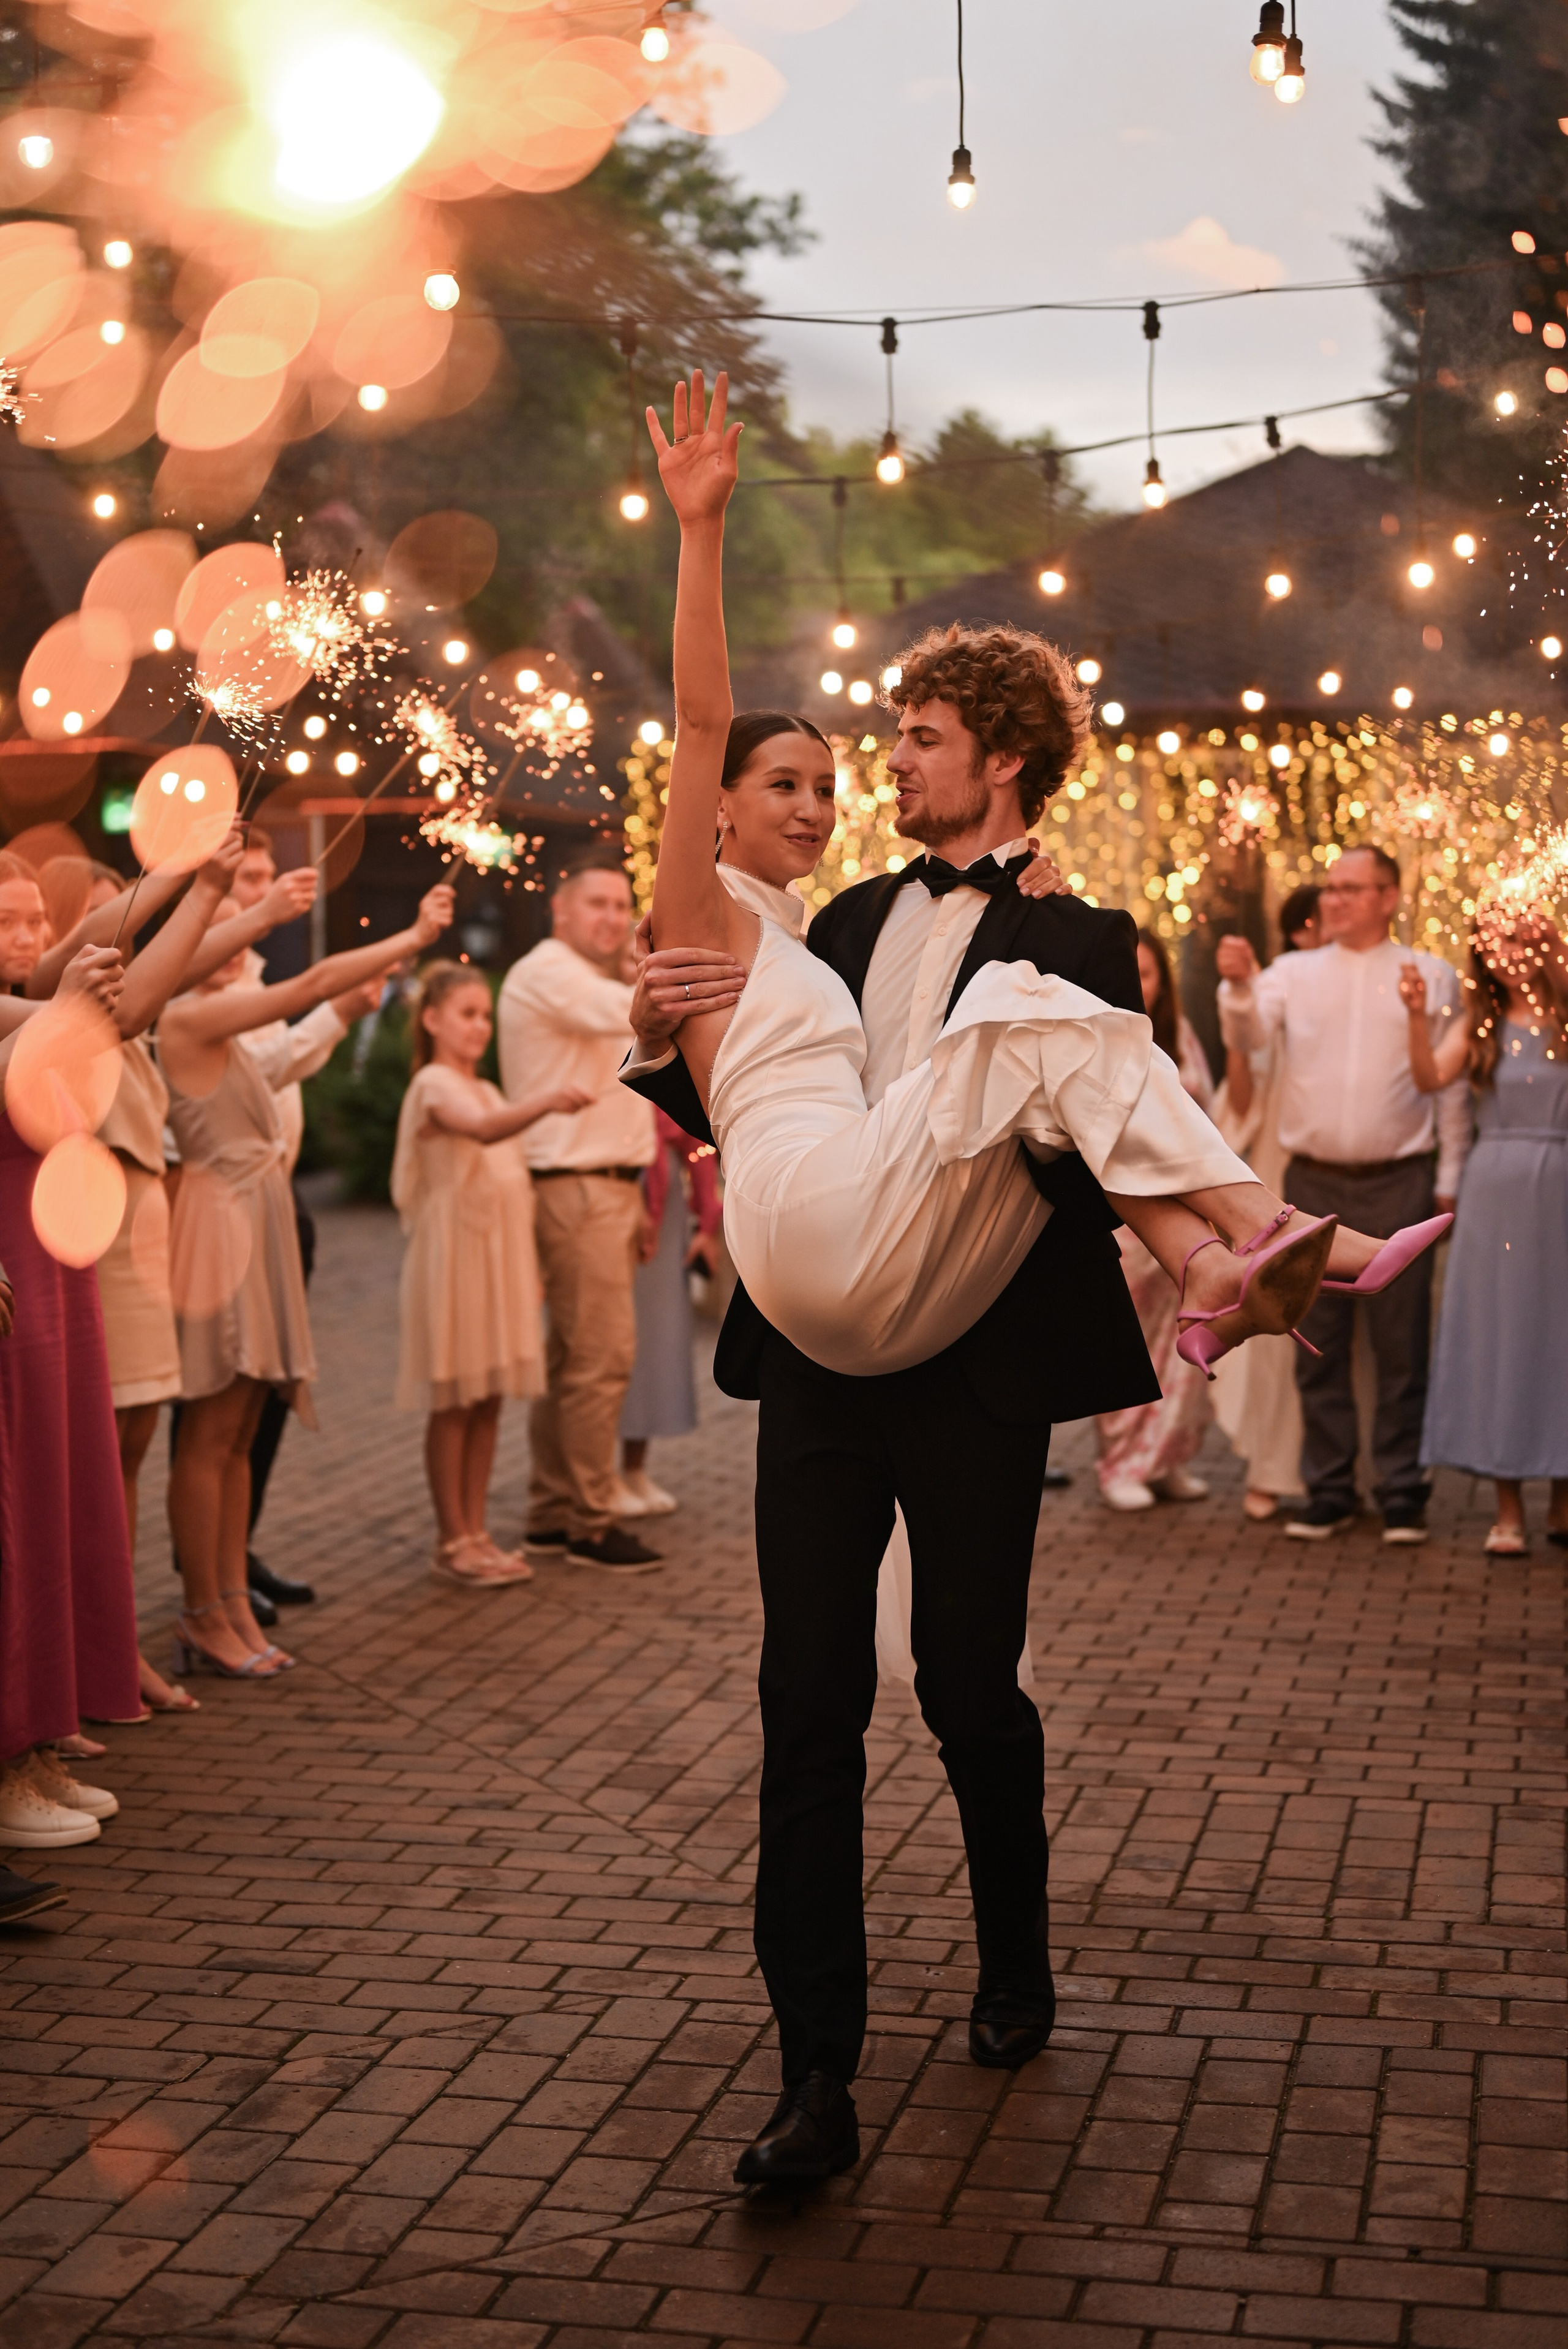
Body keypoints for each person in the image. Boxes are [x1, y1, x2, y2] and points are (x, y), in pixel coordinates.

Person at [623, 373, 1439, 2188]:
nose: (871, 782)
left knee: (972, 1690)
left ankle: (1012, 1960)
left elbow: (1087, 1122)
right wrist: (648, 1023)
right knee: (807, 1698)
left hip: (977, 1337)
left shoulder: (1081, 934)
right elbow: (709, 1030)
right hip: (827, 1337)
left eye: (907, 747)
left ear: (996, 755)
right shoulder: (826, 922)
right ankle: (812, 2070)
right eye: (846, 765)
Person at [159, 883, 454, 1679]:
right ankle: (198, 1610)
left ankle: (226, 1599)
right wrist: (412, 933)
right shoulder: (183, 1015)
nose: (237, 950)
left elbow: (307, 1023)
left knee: (243, 1432)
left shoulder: (233, 1021)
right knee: (210, 1431)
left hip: (260, 1219)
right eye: (218, 936)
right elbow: (314, 982)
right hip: (219, 1229)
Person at [1217, 845, 1466, 1544]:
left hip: (1400, 1180)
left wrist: (1449, 1180)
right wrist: (1237, 986)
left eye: (1351, 889)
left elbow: (1446, 1097)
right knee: (1315, 1339)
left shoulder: (1431, 974)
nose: (1333, 900)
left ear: (1389, 897)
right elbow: (1247, 1032)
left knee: (1400, 1343)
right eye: (1329, 888)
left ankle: (1401, 1492)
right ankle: (1328, 1489)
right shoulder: (1291, 974)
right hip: (1311, 1185)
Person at [0, 878, 140, 1850]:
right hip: (14, 1254)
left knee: (58, 1496)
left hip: (50, 1254)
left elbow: (107, 979)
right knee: (19, 1509)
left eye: (32, 916)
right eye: (4, 918)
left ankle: (40, 1737)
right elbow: (84, 1003)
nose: (29, 933)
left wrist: (190, 877)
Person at [392, 960, 593, 1585]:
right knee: (454, 1399)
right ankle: (451, 1537)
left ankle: (477, 1530)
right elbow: (481, 1134)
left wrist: (528, 1265)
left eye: (485, 1015)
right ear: (431, 1020)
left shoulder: (487, 1086)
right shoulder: (433, 1084)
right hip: (456, 1259)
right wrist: (549, 1100)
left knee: (487, 1401)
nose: (480, 1027)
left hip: (497, 1258)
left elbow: (511, 1178)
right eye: (467, 1014)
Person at [497, 858, 660, 1572]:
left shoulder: (580, 976)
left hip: (604, 1186)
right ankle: (591, 1522)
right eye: (596, 902)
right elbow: (632, 1012)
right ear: (560, 911)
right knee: (599, 1360)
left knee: (573, 1361)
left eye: (622, 905)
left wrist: (641, 1195)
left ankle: (553, 1514)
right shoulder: (548, 971)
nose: (613, 916)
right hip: (575, 1187)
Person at [225, 834, 368, 1619]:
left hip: (280, 1200)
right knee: (226, 1405)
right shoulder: (209, 977)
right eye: (243, 880)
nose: (260, 891)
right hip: (231, 1208)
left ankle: (236, 1547)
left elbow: (284, 1061)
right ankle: (212, 1569)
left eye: (262, 877)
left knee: (266, 1400)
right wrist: (340, 1009)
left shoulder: (248, 970)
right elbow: (264, 1067)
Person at [1403, 916, 1568, 1553]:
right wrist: (1417, 1016)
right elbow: (1426, 1079)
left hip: (1558, 1185)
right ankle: (1506, 1506)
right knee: (1504, 1330)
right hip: (1497, 1188)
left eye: (1523, 942)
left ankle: (1560, 1499)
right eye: (1495, 945)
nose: (1509, 957)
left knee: (1557, 1333)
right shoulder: (1480, 1026)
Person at [1094, 929, 1219, 1512]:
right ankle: (1120, 1462)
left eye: (1148, 974)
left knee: (1183, 1343)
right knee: (1127, 1343)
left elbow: (1208, 1113)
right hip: (1125, 1215)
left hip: (1187, 1210)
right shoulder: (1097, 1038)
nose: (1139, 984)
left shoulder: (1180, 1037)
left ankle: (1166, 1457)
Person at [1212, 884, 1321, 1521]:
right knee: (1282, 1324)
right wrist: (1238, 1006)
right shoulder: (1275, 988)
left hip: (1341, 1171)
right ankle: (1274, 1467)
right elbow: (1244, 1097)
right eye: (1303, 925)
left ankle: (1340, 1469)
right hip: (1280, 1173)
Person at [615, 1109, 723, 1518]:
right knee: (602, 1340)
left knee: (657, 1336)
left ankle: (634, 1467)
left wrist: (707, 1221)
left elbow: (698, 1136)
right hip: (621, 1181)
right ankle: (591, 1473)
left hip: (667, 1197)